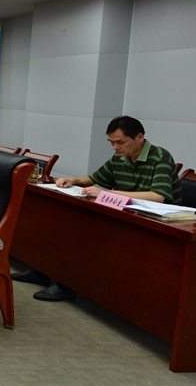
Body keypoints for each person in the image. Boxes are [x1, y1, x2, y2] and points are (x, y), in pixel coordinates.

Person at [14, 115, 183, 302]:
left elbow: (157, 196)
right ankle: (41, 271)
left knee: (86, 234)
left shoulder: (160, 157)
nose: (115, 147)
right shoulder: (120, 157)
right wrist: (72, 180)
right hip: (127, 214)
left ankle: (66, 285)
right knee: (64, 223)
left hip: (159, 222)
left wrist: (108, 194)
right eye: (112, 143)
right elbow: (94, 178)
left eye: (120, 142)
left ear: (140, 137)